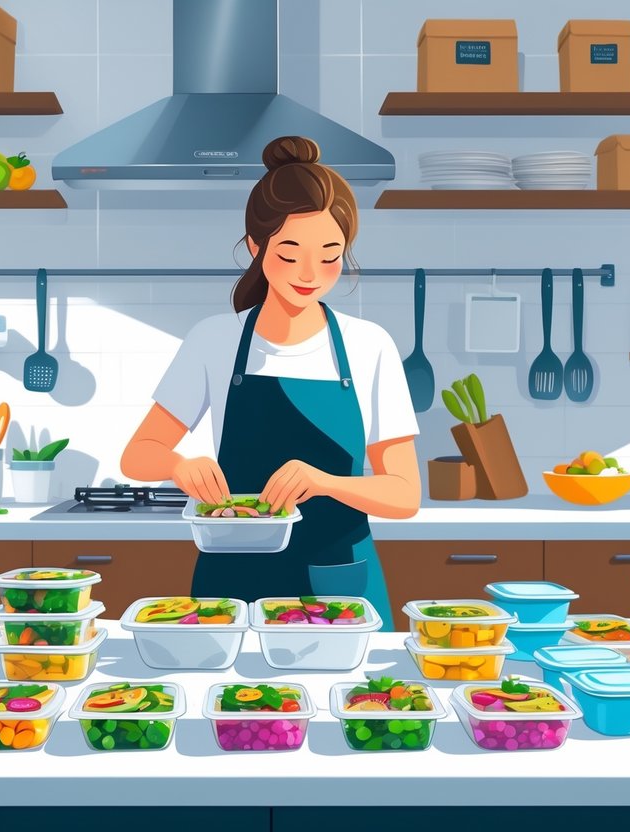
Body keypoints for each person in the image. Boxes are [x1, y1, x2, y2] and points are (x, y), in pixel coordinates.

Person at [120, 135, 421, 623]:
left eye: (329, 254)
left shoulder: (370, 346)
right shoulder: (214, 339)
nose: (310, 272)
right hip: (233, 581)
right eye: (289, 252)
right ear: (257, 246)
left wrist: (324, 482)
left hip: (337, 584)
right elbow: (138, 454)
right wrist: (178, 464)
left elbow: (405, 495)